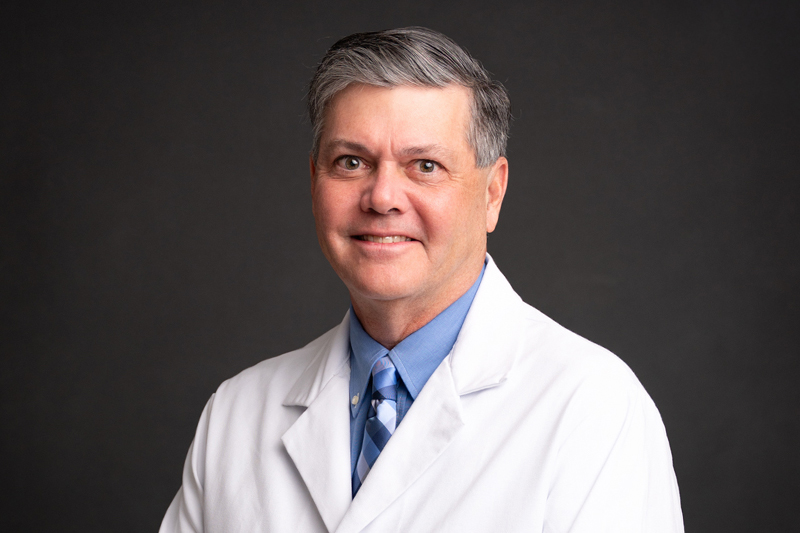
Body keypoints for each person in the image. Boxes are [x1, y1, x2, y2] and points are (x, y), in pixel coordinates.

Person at [160, 27, 684, 532]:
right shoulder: (237, 414)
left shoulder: (592, 407)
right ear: (314, 180)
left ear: (492, 194)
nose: (382, 197)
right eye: (351, 161)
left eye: (425, 166)